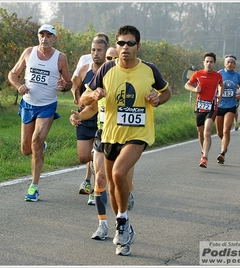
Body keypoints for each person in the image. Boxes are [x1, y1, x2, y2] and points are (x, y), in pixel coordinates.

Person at [80, 25, 171, 256]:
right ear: (116, 46)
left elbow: (166, 92)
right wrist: (94, 94)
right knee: (112, 187)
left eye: (130, 43)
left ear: (138, 46)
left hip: (138, 134)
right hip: (111, 135)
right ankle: (125, 228)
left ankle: (121, 223)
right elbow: (84, 97)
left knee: (119, 173)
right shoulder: (107, 69)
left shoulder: (149, 70)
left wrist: (157, 99)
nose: (125, 47)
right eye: (121, 43)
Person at [70, 46, 135, 241]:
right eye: (107, 58)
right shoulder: (101, 81)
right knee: (99, 179)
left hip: (126, 137)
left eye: (113, 58)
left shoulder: (130, 79)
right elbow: (91, 108)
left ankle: (124, 217)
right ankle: (102, 225)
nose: (109, 61)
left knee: (118, 182)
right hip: (103, 135)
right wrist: (79, 116)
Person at [8, 24, 72, 201]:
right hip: (28, 104)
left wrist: (64, 86)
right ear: (38, 36)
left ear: (54, 38)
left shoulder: (60, 58)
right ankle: (40, 147)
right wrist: (18, 86)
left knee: (35, 141)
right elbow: (12, 74)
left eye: (48, 35)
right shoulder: (28, 52)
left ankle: (33, 187)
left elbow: (69, 82)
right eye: (41, 35)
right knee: (26, 149)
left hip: (47, 105)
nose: (44, 38)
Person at [71, 37, 109, 205]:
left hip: (104, 120)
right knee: (84, 156)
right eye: (93, 50)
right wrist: (78, 101)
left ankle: (96, 188)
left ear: (106, 52)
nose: (95, 53)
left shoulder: (111, 72)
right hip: (86, 117)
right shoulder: (85, 69)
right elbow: (75, 86)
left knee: (97, 156)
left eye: (99, 50)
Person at [185, 52, 224, 168]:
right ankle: (203, 151)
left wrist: (220, 95)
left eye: (211, 62)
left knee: (207, 131)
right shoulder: (197, 74)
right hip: (199, 107)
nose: (209, 64)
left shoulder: (218, 76)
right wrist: (195, 89)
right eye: (207, 61)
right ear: (204, 62)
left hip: (212, 107)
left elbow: (221, 85)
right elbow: (187, 85)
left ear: (214, 63)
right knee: (201, 133)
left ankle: (205, 157)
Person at [215, 54, 240, 164]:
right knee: (219, 132)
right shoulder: (219, 74)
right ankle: (225, 145)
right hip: (219, 105)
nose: (230, 64)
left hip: (231, 105)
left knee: (226, 130)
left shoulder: (237, 76)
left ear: (235, 65)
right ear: (224, 64)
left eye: (232, 62)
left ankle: (222, 153)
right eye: (228, 62)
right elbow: (213, 86)